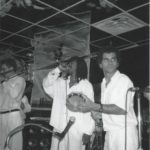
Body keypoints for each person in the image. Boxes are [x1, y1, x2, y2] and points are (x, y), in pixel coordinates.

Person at [72, 48, 138, 150]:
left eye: (113, 59)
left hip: (124, 133)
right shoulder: (103, 83)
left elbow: (121, 109)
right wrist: (97, 114)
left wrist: (94, 106)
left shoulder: (123, 80)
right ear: (100, 64)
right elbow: (108, 108)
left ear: (117, 63)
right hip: (109, 133)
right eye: (106, 59)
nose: (110, 62)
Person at [43, 56, 95, 150]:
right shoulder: (60, 82)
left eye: (73, 62)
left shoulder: (86, 85)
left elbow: (91, 109)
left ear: (79, 66)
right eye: (69, 62)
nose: (69, 64)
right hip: (59, 126)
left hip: (77, 128)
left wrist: (89, 132)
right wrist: (58, 69)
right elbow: (46, 85)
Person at [0, 58, 26, 150]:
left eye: (3, 68)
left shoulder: (20, 79)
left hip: (13, 115)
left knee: (15, 144)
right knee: (2, 144)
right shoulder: (3, 83)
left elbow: (14, 94)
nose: (1, 71)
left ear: (11, 68)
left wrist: (4, 82)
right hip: (1, 116)